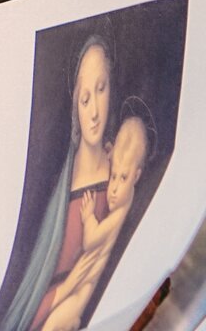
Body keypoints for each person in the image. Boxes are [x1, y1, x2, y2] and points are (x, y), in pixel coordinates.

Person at [0, 36, 116, 331]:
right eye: (85, 100)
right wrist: (69, 286)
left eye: (102, 89)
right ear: (75, 106)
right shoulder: (60, 194)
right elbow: (32, 298)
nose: (95, 112)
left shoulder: (118, 169)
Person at [34, 106, 153, 331]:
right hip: (79, 286)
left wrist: (88, 217)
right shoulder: (125, 192)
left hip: (82, 293)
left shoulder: (119, 213)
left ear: (137, 176)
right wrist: (113, 154)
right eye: (114, 175)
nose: (114, 189)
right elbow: (120, 160)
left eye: (123, 178)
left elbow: (91, 240)